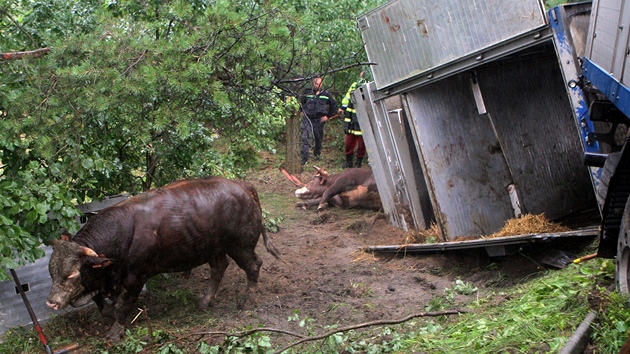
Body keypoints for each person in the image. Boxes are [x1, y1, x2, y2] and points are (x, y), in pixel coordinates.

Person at [299, 76, 339, 165]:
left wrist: (327, 116)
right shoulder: (307, 92)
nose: (318, 85)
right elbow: (300, 101)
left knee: (318, 138)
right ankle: (304, 158)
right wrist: (301, 111)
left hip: (319, 119)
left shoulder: (326, 94)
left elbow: (334, 106)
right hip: (308, 118)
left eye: (320, 84)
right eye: (317, 84)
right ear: (313, 83)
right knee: (305, 137)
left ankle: (317, 154)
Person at [339, 71, 367, 168]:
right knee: (348, 143)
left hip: (363, 123)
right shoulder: (354, 86)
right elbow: (348, 101)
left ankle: (358, 163)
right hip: (352, 121)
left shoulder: (369, 87)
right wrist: (343, 107)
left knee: (362, 145)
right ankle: (348, 162)